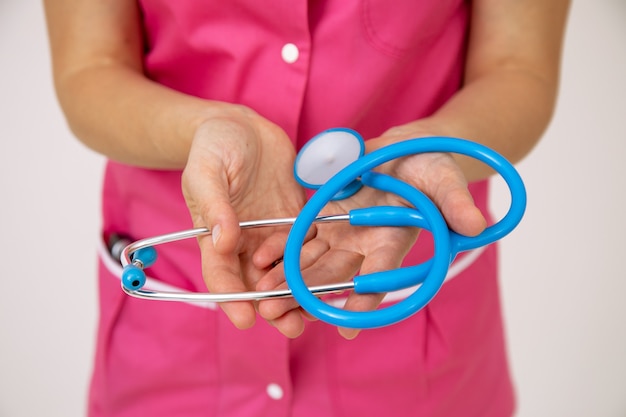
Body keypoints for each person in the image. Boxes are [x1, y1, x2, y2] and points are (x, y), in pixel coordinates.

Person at [43, 1, 570, 416]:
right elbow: (90, 69)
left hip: (408, 304)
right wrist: (202, 128)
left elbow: (518, 67)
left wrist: (424, 144)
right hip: (175, 329)